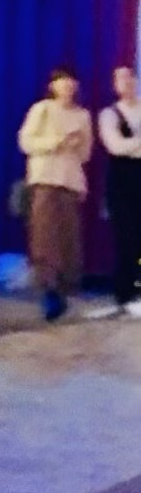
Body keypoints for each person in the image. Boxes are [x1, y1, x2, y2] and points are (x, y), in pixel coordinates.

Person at [21, 68, 97, 323]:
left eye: (71, 82)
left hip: (71, 180)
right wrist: (56, 141)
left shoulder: (83, 115)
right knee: (45, 236)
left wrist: (76, 144)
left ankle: (65, 288)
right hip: (45, 179)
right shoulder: (42, 109)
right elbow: (26, 142)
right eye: (62, 82)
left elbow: (86, 154)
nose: (67, 86)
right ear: (53, 85)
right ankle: (48, 289)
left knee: (68, 238)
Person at [101, 61, 141, 319]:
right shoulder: (109, 114)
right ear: (115, 86)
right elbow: (115, 146)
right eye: (120, 79)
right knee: (126, 236)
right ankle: (124, 294)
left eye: (130, 78)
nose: (126, 83)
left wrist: (132, 144)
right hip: (122, 180)